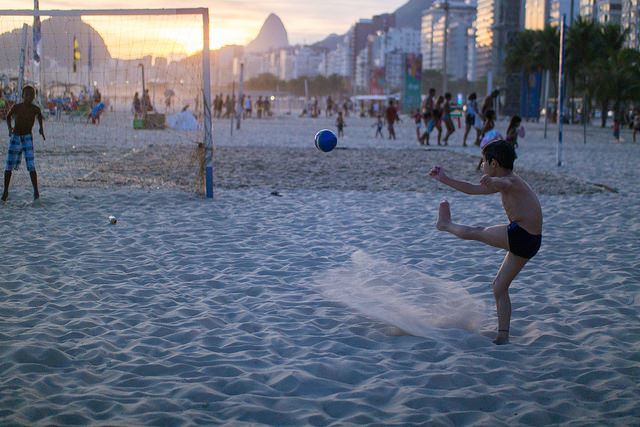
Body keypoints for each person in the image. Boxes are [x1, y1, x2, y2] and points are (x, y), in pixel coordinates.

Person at [429, 140, 542, 345]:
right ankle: (503, 336)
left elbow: (504, 184)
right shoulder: (506, 179)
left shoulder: (510, 181)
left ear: (494, 163)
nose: (482, 165)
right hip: (531, 241)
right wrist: (444, 179)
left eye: (484, 162)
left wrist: (495, 183)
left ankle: (445, 224)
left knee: (476, 232)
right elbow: (472, 189)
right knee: (499, 287)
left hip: (522, 235)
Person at [3, 85, 45, 201]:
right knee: (9, 164)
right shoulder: (17, 107)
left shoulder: (35, 109)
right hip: (15, 137)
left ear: (34, 97)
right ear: (22, 96)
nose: (29, 97)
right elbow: (8, 116)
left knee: (31, 165)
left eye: (31, 95)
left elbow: (40, 117)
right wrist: (9, 128)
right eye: (26, 95)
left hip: (27, 138)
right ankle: (5, 190)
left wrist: (41, 128)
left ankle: (36, 191)